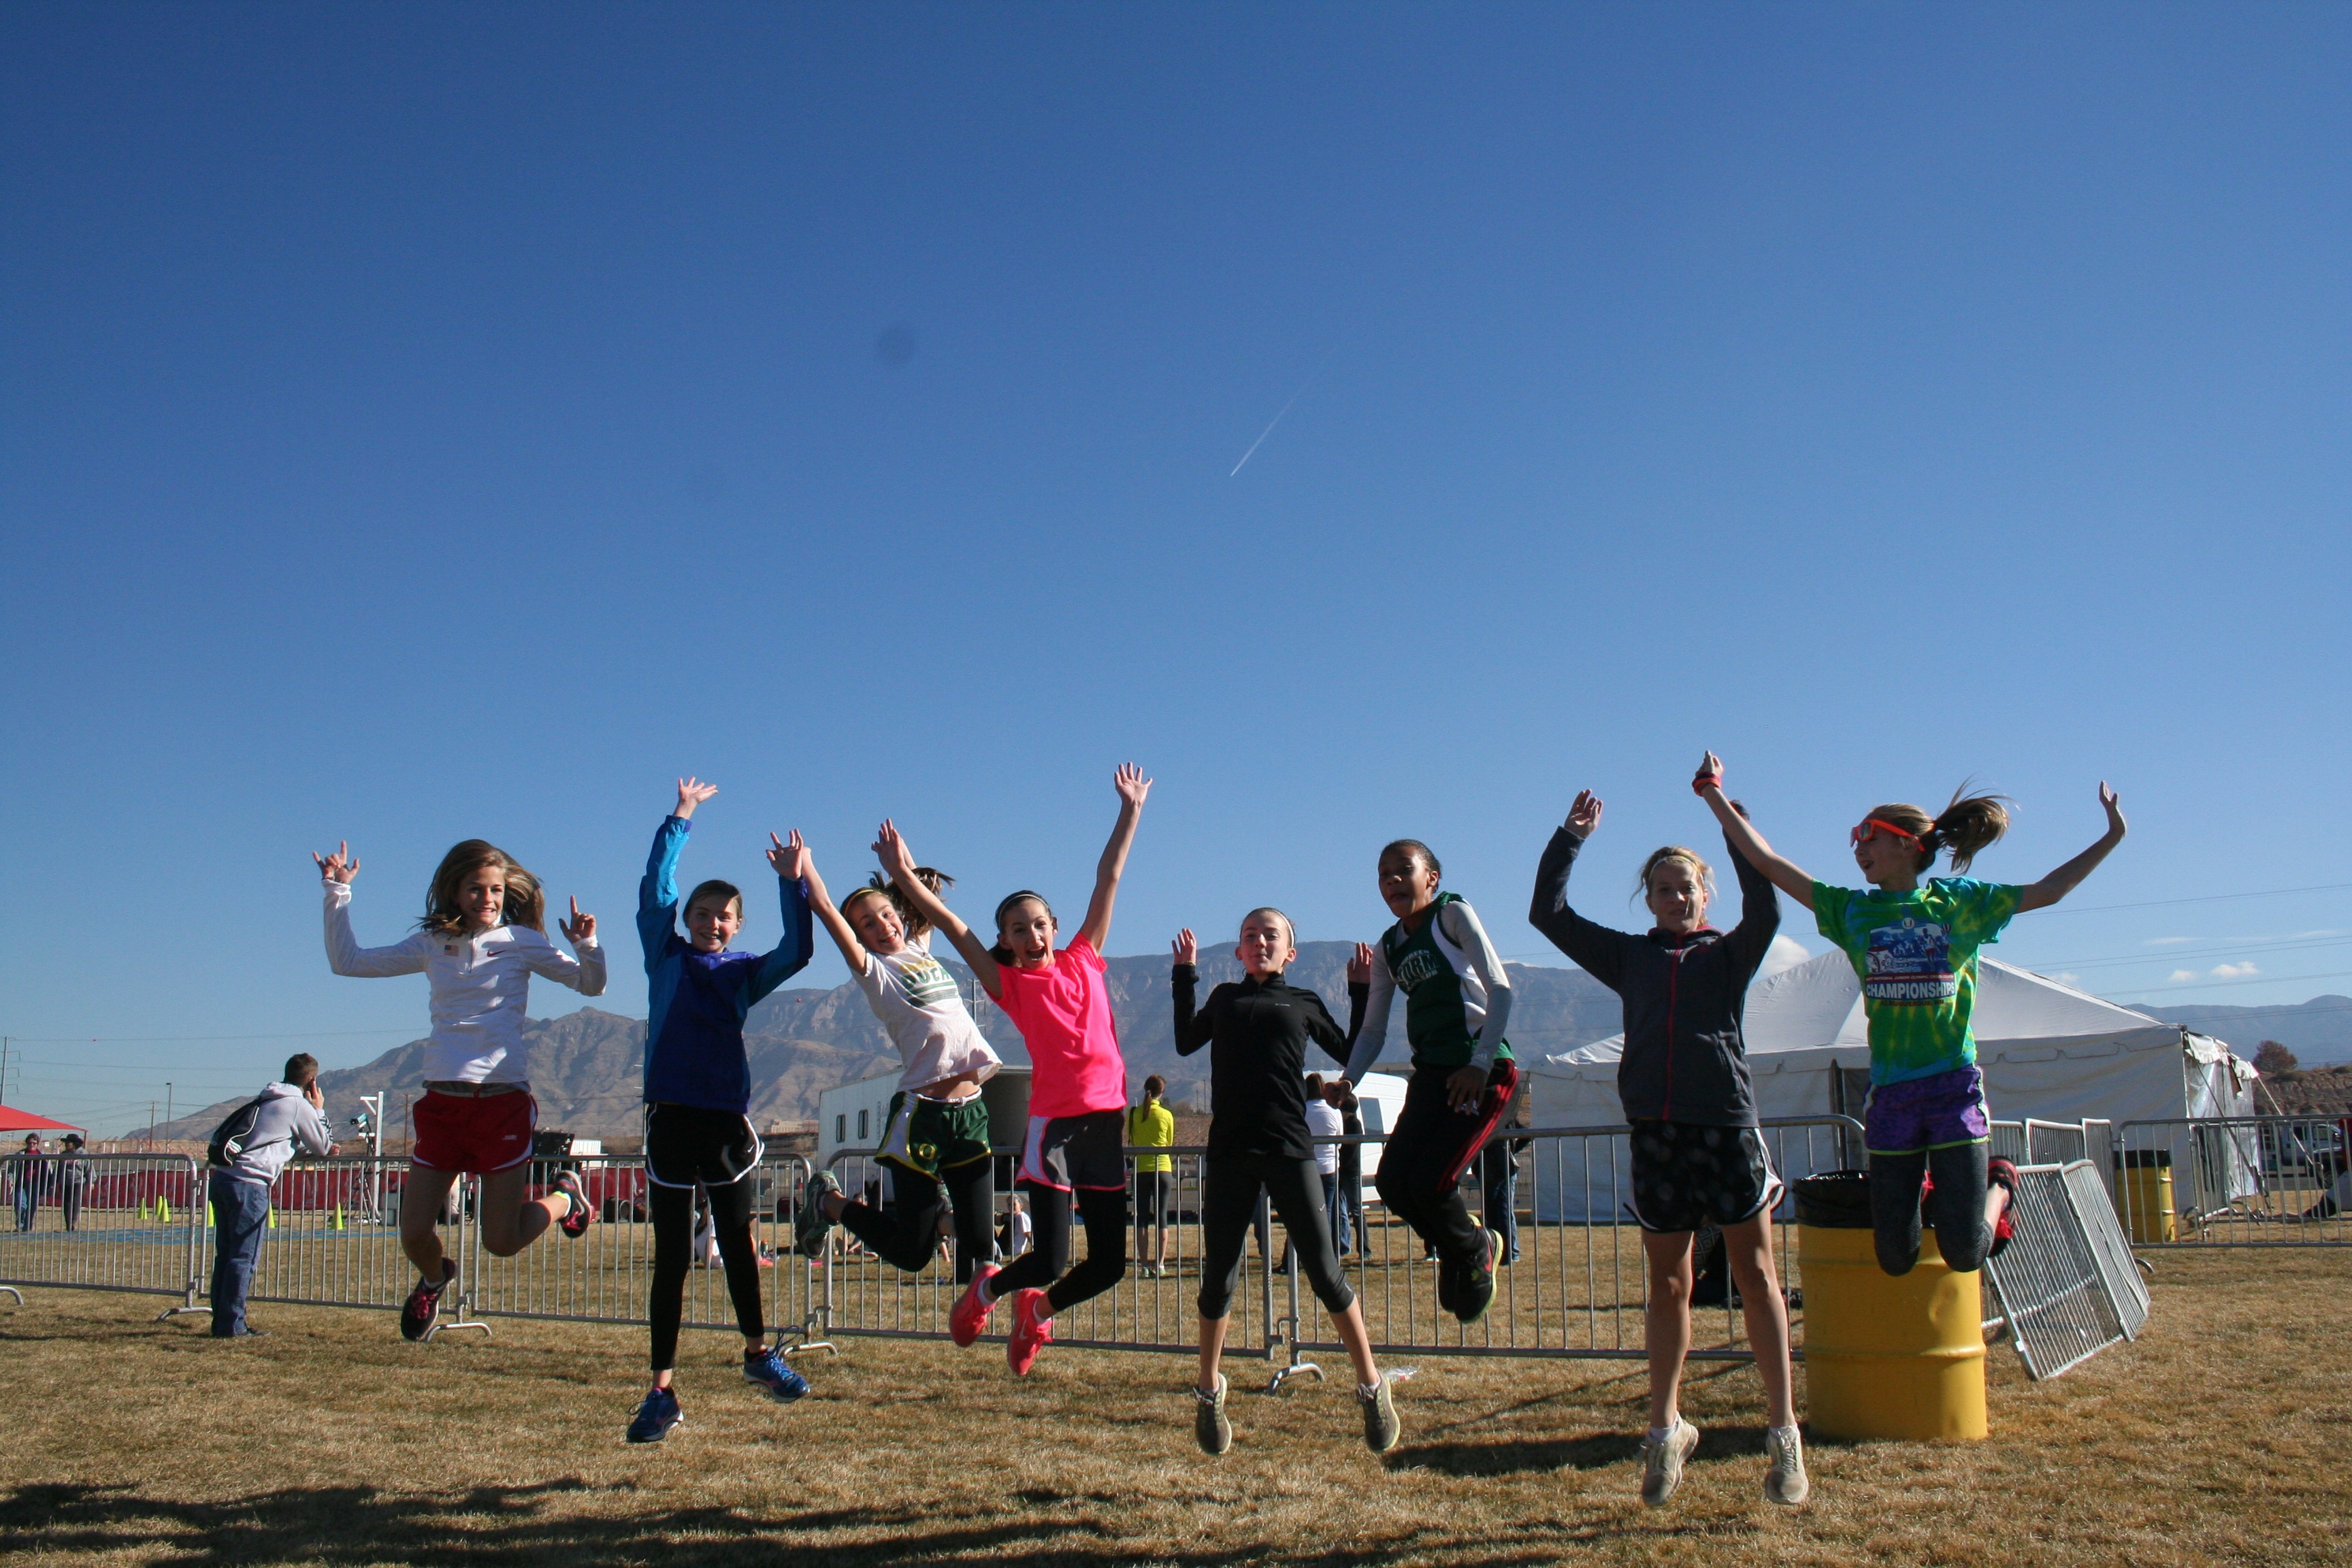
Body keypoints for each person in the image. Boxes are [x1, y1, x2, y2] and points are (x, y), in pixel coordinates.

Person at [1698, 753, 2128, 1284]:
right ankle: (1930, 1186)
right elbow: (1768, 862)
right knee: (1895, 1257)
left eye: (1867, 836)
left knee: (1966, 1251)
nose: (1857, 848)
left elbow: (2048, 891)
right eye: (1855, 839)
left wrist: (2112, 837)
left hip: (1953, 1087)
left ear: (1905, 843)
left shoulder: (1959, 904)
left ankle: (2001, 1183)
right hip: (1893, 1094)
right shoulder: (1851, 910)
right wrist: (1711, 792)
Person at [1527, 770, 1803, 1507]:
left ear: (1705, 896)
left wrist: (1731, 830)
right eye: (1663, 888)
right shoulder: (1631, 958)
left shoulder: (1730, 953)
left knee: (1757, 1278)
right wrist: (1571, 839)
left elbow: (1767, 904)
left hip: (1727, 1128)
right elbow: (1547, 913)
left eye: (1687, 887)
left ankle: (1784, 1433)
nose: (1676, 898)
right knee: (1669, 1285)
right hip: (1657, 1133)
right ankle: (1665, 1428)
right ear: (1647, 900)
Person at [874, 764, 1151, 1375]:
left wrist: (1130, 810)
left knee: (1109, 1264)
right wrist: (901, 876)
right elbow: (951, 925)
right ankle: (987, 1291)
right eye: (1017, 928)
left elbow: (1109, 876)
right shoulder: (1009, 985)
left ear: (1055, 929)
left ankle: (1038, 1312)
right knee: (1049, 1256)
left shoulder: (1086, 956)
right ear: (1006, 939)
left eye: (1039, 924)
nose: (1031, 934)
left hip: (1105, 1124)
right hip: (1052, 1127)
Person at [316, 836, 605, 1343]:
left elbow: (590, 985)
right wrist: (337, 892)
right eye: (476, 889)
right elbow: (348, 962)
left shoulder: (522, 941)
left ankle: (565, 1197)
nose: (488, 899)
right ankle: (434, 1279)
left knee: (500, 1241)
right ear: (454, 891)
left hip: (502, 1104)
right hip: (442, 1105)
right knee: (412, 1233)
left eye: (496, 890)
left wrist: (587, 946)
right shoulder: (432, 945)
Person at [624, 779, 818, 1444]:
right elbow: (655, 889)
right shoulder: (665, 955)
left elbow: (798, 952)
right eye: (702, 912)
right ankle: (660, 1391)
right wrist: (681, 818)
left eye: (723, 916)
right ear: (689, 919)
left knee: (739, 1241)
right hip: (671, 1118)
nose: (711, 922)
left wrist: (793, 884)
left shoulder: (742, 972)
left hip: (725, 1121)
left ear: (736, 926)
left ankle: (759, 1353)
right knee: (673, 1255)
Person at [1173, 914, 1399, 1454]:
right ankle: (1208, 1390)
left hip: (1290, 1150)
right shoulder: (1225, 998)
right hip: (1230, 1152)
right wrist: (1184, 976)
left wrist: (1360, 990)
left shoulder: (1301, 1001)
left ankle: (1371, 1384)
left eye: (1271, 935)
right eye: (1251, 935)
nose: (1260, 942)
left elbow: (1350, 1049)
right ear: (1239, 952)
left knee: (1325, 1271)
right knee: (1218, 1276)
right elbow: (1185, 1043)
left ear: (1290, 953)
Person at [792, 836, 1002, 1316]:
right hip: (921, 1116)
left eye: (886, 915)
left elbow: (920, 900)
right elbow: (825, 907)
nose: (881, 926)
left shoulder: (922, 950)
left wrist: (900, 861)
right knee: (912, 1253)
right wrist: (805, 866)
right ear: (860, 936)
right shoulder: (875, 971)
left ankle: (963, 1285)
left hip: (970, 1113)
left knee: (981, 1243)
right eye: (867, 924)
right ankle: (828, 1204)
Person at [1338, 839, 1516, 1324]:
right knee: (1396, 1183)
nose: (1392, 880)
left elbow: (1500, 990)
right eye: (1383, 874)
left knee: (1433, 1183)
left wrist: (1480, 1064)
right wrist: (1348, 1080)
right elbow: (1374, 1029)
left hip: (1481, 1070)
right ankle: (1471, 1246)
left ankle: (1474, 1248)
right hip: (1433, 1073)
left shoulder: (1452, 915)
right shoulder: (1389, 945)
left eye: (1403, 870)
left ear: (1431, 879)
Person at [206, 1056, 340, 1338]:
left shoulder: (266, 1098)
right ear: (312, 1081)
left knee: (227, 1255)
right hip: (250, 1184)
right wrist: (319, 1110)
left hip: (225, 1178)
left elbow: (272, 1142)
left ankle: (223, 1321)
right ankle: (232, 1325)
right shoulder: (297, 1105)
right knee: (244, 1258)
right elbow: (324, 1145)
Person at [1128, 1077, 1175, 1277]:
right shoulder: (1166, 1115)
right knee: (1162, 1218)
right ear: (1161, 1093)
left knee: (1142, 1220)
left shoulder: (1134, 1114)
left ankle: (1145, 1265)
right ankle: (1161, 1264)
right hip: (1162, 1169)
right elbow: (1170, 1142)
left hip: (1140, 1171)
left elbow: (1131, 1139)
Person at [1302, 1074, 1345, 1261]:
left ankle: (1298, 1255)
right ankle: (1326, 1255)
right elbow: (1340, 1141)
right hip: (1329, 1167)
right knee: (1326, 1211)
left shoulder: (1301, 1111)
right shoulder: (1334, 1112)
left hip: (1307, 1165)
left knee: (1301, 1212)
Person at [12, 1134, 45, 1232]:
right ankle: (20, 1225)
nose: (32, 1145)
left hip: (35, 1183)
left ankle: (28, 1225)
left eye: (34, 1143)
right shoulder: (21, 1154)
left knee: (32, 1205)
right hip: (21, 1182)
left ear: (37, 1144)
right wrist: (11, 1179)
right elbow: (12, 1168)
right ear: (26, 1143)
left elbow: (48, 1170)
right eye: (30, 1143)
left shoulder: (42, 1155)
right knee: (20, 1203)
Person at [57, 1134, 88, 1232]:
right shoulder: (63, 1154)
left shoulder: (83, 1154)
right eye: (65, 1142)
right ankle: (68, 1225)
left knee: (75, 1203)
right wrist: (57, 1181)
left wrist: (91, 1181)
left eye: (68, 1142)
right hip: (65, 1182)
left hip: (78, 1182)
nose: (66, 1144)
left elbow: (89, 1169)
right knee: (67, 1204)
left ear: (74, 1143)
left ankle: (73, 1222)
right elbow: (58, 1169)